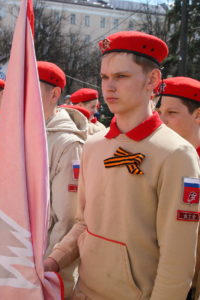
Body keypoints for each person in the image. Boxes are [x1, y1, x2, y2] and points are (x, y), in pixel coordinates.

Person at [44, 31, 200, 299]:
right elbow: (84, 223)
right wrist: (54, 260)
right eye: (105, 77)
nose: (109, 87)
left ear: (152, 80)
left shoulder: (177, 154)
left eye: (121, 76)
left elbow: (178, 258)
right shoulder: (93, 146)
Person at [37, 61, 88, 298]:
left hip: (47, 264)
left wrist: (48, 264)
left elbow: (67, 218)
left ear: (54, 94)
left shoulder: (67, 144)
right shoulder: (29, 132)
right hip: (22, 253)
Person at [157, 77, 200, 300]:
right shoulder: (157, 157)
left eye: (172, 113)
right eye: (160, 112)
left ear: (198, 115)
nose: (162, 121)